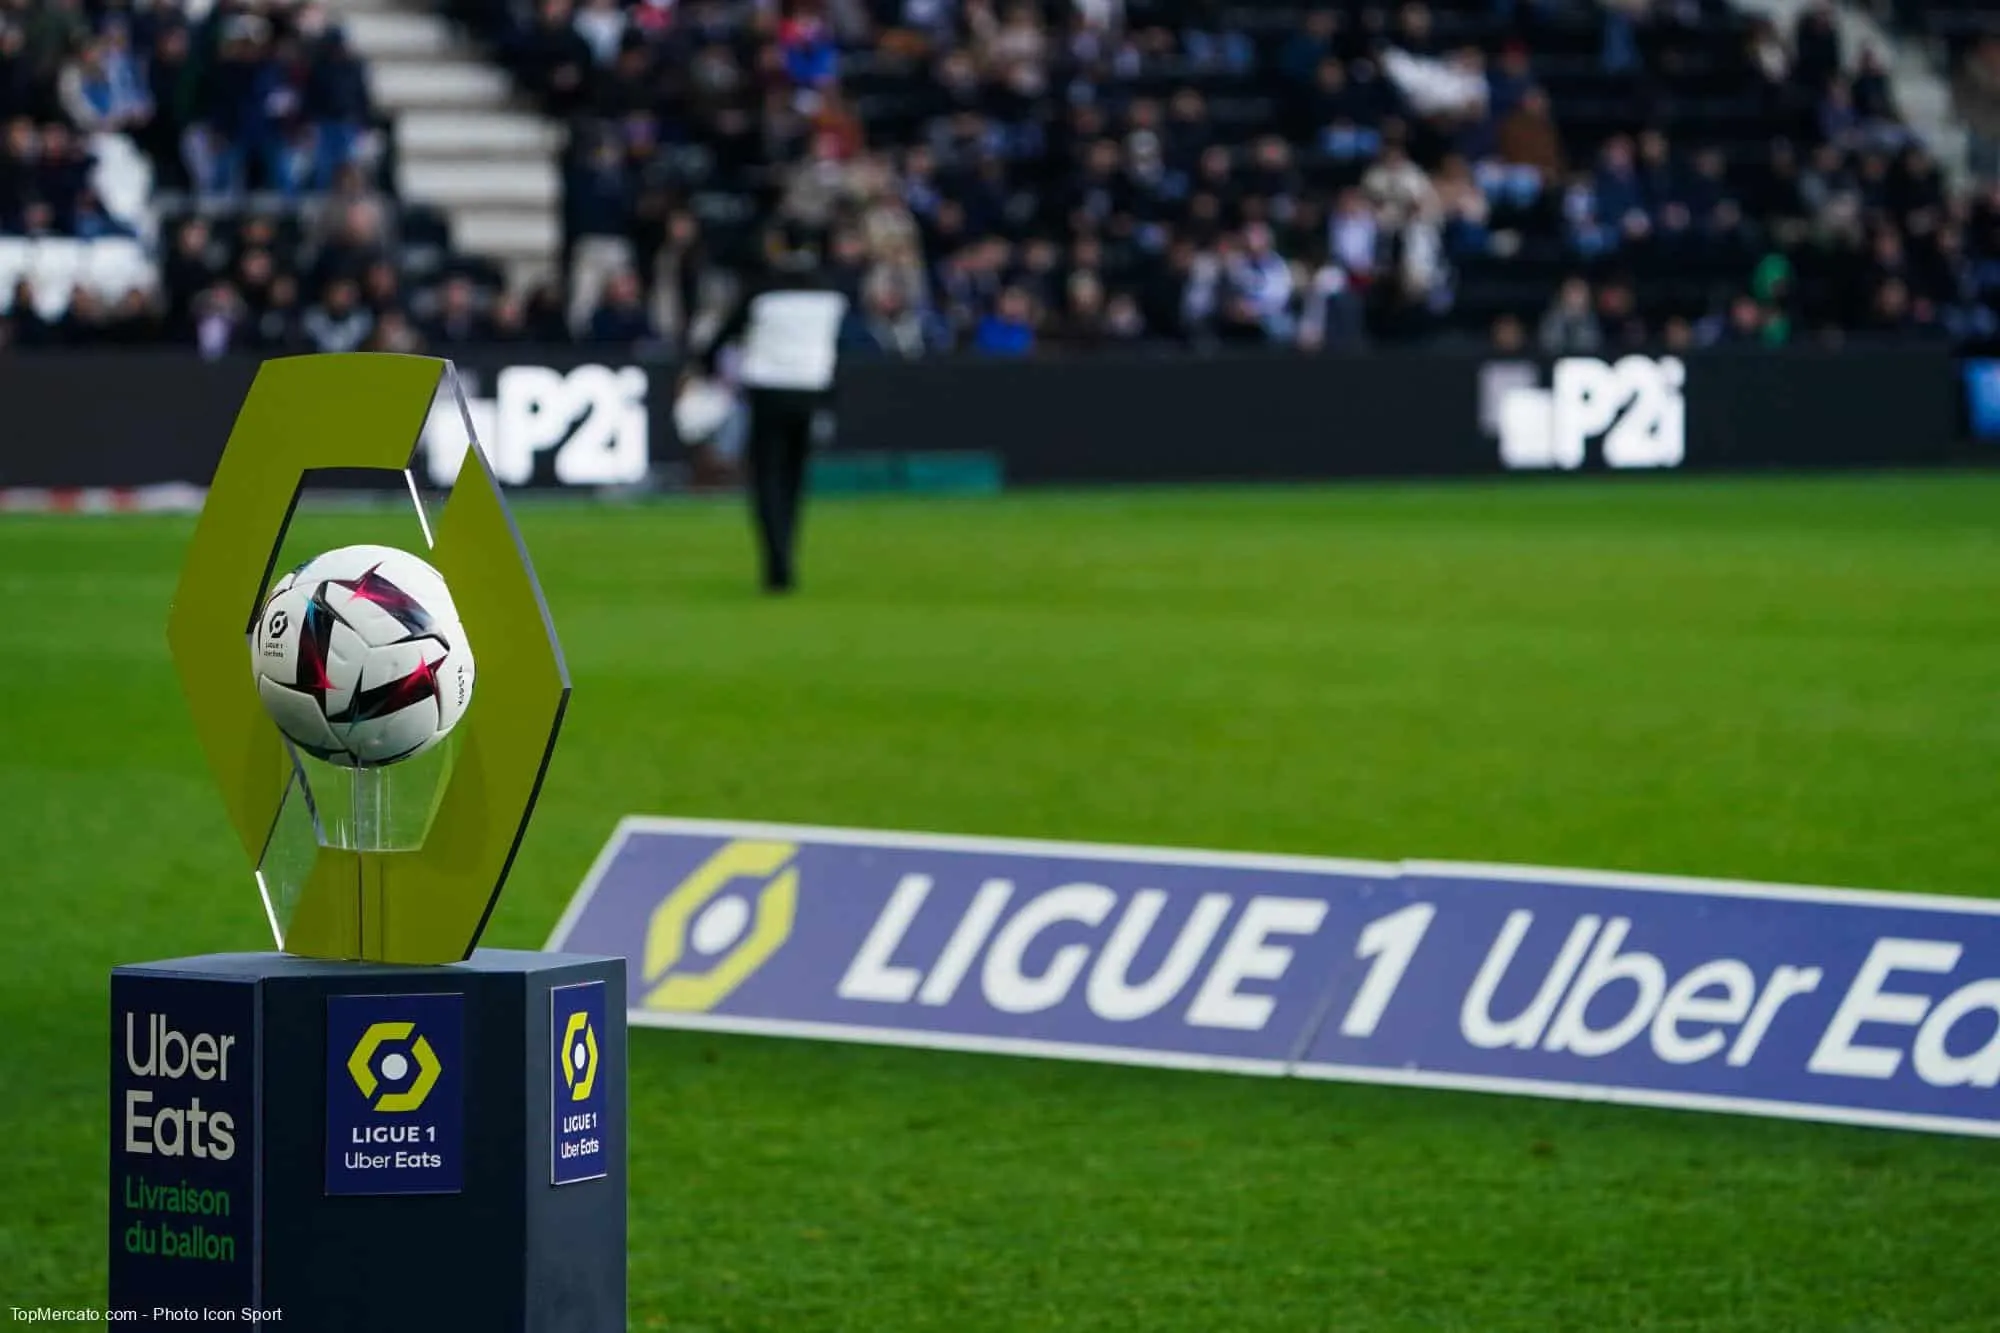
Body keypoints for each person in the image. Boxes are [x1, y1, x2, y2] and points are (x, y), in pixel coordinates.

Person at [689, 221, 851, 593]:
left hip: (768, 391)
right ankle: (788, 552)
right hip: (811, 390)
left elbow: (722, 336)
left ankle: (776, 561)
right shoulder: (829, 290)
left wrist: (705, 366)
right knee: (795, 477)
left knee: (766, 479)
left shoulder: (762, 287)